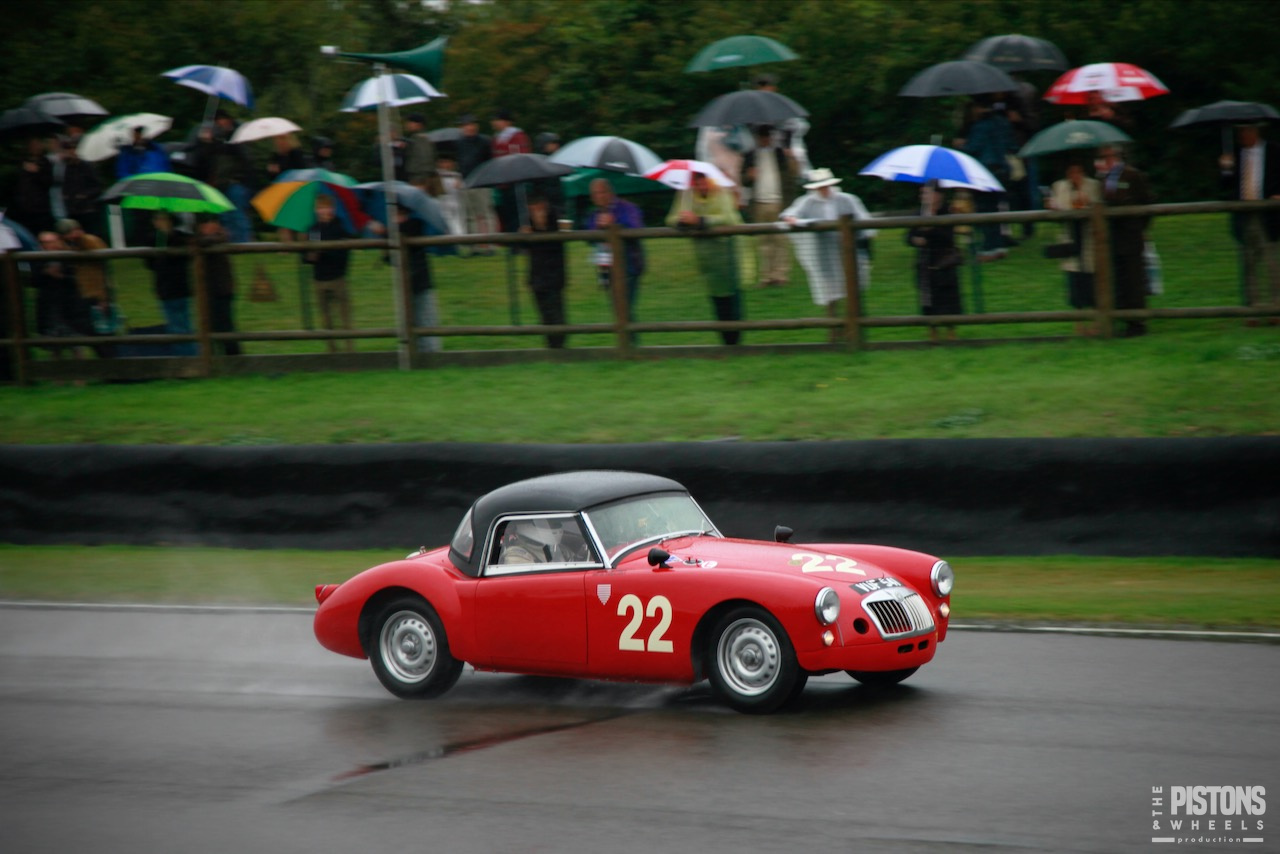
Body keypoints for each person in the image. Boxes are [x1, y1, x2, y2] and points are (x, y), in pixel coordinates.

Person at [780, 168, 874, 325]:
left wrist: (860, 237)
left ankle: (854, 322)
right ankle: (833, 324)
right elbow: (790, 213)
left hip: (848, 251)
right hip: (822, 252)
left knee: (852, 284)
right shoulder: (807, 201)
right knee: (828, 287)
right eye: (819, 187)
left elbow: (865, 222)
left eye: (825, 186)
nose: (823, 190)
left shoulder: (847, 199)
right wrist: (791, 218)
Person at [666, 170, 744, 345]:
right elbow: (670, 219)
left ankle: (735, 341)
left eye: (703, 181)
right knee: (716, 299)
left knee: (731, 297)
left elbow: (729, 218)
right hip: (706, 259)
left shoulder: (722, 192)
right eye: (696, 182)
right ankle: (727, 341)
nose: (700, 185)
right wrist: (681, 221)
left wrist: (700, 221)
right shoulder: (685, 195)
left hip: (727, 253)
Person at [1220, 123, 1280, 316]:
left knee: (1271, 262)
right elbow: (1225, 187)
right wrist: (1225, 169)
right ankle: (1252, 308)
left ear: (1254, 132)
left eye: (1244, 132)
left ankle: (1275, 307)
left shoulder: (1274, 151)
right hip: (1244, 214)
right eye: (1239, 133)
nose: (1241, 136)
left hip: (1268, 214)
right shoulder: (1236, 155)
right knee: (1248, 262)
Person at [1096, 144, 1154, 337]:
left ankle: (1137, 323)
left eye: (1107, 156)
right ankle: (1123, 318)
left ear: (1116, 156)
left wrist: (1138, 227)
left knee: (1134, 279)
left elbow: (1147, 202)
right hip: (1113, 237)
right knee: (1120, 280)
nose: (1104, 160)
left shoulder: (1132, 175)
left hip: (1130, 235)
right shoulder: (1104, 178)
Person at [1046, 163, 1102, 335]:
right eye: (1071, 172)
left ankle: (1095, 324)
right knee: (1074, 282)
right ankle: (1079, 323)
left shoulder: (1093, 185)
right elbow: (1057, 209)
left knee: (1091, 284)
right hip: (1070, 237)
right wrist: (1053, 208)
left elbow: (1099, 207)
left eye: (1078, 172)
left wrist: (1086, 203)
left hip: (1089, 238)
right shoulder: (1059, 186)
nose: (1075, 175)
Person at [585, 178, 645, 329]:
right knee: (618, 311)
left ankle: (629, 341)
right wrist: (598, 227)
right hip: (606, 268)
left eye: (602, 192)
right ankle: (628, 341)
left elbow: (636, 228)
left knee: (625, 310)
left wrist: (614, 223)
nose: (599, 196)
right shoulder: (594, 214)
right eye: (595, 193)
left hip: (629, 266)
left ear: (610, 192)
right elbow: (588, 237)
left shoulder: (627, 208)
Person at [743, 124, 799, 287]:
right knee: (763, 241)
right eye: (762, 137)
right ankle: (766, 276)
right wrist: (749, 176)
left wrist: (791, 158)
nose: (765, 140)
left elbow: (792, 176)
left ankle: (780, 275)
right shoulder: (750, 156)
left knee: (780, 240)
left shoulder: (780, 153)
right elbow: (744, 181)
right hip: (759, 202)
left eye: (767, 137)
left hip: (778, 201)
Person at [960, 99, 1016, 260]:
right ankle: (999, 245)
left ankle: (989, 248)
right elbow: (1011, 145)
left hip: (985, 172)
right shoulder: (1002, 122)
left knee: (985, 210)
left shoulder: (979, 126)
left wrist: (961, 146)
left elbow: (974, 148)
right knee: (996, 209)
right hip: (1002, 170)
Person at [907, 182, 963, 343]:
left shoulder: (947, 212)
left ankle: (951, 330)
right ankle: (932, 331)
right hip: (925, 262)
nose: (923, 197)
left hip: (944, 262)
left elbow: (948, 237)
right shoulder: (919, 213)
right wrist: (916, 239)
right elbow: (909, 236)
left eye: (927, 193)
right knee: (928, 299)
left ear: (938, 195)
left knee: (948, 298)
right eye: (922, 193)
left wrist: (931, 229)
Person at [302, 194, 355, 353]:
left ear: (333, 209)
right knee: (326, 318)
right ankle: (332, 350)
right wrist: (311, 256)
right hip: (319, 278)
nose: (324, 211)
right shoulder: (314, 230)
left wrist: (325, 252)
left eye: (327, 207)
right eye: (321, 208)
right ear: (316, 210)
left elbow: (344, 253)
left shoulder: (339, 227)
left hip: (337, 277)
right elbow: (308, 255)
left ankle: (350, 350)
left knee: (344, 315)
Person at [32, 230, 94, 358]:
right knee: (54, 344)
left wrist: (61, 276)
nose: (47, 245)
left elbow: (79, 279)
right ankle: (57, 369)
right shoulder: (37, 259)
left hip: (70, 305)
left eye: (50, 242)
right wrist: (45, 273)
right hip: (49, 307)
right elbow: (34, 281)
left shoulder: (69, 256)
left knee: (75, 343)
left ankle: (81, 369)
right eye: (44, 242)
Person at [520, 191, 568, 349]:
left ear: (544, 206)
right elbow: (523, 247)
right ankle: (550, 345)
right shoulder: (528, 222)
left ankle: (559, 345)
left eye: (537, 208)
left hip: (554, 275)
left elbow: (556, 244)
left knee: (556, 311)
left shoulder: (556, 219)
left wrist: (542, 228)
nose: (535, 212)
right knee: (544, 314)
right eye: (532, 209)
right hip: (537, 276)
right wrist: (524, 235)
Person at [146, 212, 197, 356]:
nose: (158, 222)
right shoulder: (153, 239)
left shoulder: (180, 238)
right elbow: (150, 264)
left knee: (183, 325)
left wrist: (167, 237)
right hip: (165, 288)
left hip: (180, 287)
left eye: (162, 219)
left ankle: (190, 357)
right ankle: (186, 357)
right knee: (175, 326)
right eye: (157, 219)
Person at [55, 218, 116, 337]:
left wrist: (104, 298)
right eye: (70, 232)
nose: (75, 234)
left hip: (95, 291)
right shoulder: (65, 245)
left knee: (102, 328)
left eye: (76, 230)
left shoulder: (89, 242)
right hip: (78, 293)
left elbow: (103, 269)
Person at [397, 205, 442, 353]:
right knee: (409, 319)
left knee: (426, 318)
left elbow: (408, 230)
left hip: (421, 281)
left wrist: (390, 229)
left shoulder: (416, 223)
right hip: (405, 281)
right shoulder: (397, 229)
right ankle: (413, 351)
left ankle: (431, 352)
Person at [196, 219, 241, 356]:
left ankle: (233, 356)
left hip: (220, 290)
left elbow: (202, 242)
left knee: (224, 325)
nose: (204, 227)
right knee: (214, 325)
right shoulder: (217, 239)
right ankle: (222, 356)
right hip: (213, 290)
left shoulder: (217, 240)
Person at [455, 114, 497, 252]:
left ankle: (489, 244)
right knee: (470, 215)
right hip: (466, 183)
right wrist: (459, 178)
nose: (469, 127)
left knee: (484, 214)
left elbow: (490, 162)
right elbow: (460, 163)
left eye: (471, 124)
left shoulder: (485, 141)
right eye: (465, 125)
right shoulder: (460, 143)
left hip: (481, 182)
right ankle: (474, 245)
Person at [489, 110, 532, 233]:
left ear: (507, 122)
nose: (495, 123)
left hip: (516, 181)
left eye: (498, 120)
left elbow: (520, 157)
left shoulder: (517, 136)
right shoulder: (496, 138)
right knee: (506, 213)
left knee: (518, 212)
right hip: (502, 182)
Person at [403, 114, 440, 197]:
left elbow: (425, 159)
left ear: (418, 125)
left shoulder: (421, 139)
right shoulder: (415, 138)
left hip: (419, 178)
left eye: (410, 122)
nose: (407, 125)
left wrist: (422, 180)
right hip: (417, 177)